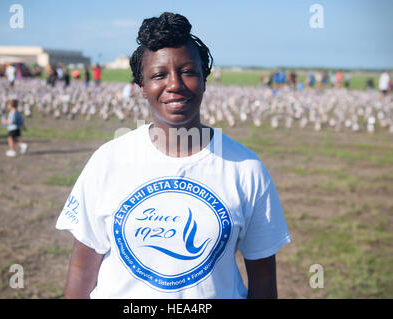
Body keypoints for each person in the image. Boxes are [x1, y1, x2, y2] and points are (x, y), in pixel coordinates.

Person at [56, 12, 291, 299]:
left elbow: (263, 277)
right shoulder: (107, 161)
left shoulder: (246, 169)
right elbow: (82, 271)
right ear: (142, 88)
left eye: (188, 71)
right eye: (158, 75)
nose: (175, 84)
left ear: (205, 79)